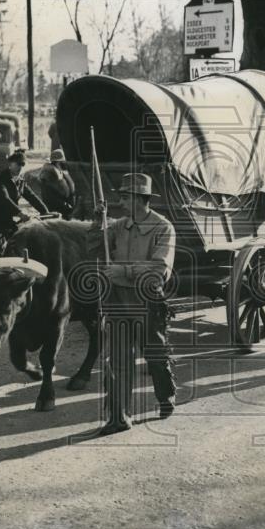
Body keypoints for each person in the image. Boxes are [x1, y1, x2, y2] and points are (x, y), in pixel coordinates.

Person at [92, 173, 177, 435]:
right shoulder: (118, 225)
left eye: (125, 197)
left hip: (147, 300)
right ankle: (119, 417)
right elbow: (95, 249)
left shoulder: (164, 228)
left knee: (155, 355)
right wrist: (98, 222)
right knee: (117, 359)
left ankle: (165, 397)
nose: (120, 201)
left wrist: (124, 272)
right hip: (118, 300)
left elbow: (161, 269)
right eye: (121, 197)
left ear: (141, 199)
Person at [0, 151, 50, 246]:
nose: (20, 167)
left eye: (23, 164)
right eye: (17, 164)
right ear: (10, 164)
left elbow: (31, 196)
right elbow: (4, 199)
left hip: (9, 218)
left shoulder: (20, 180)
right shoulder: (0, 178)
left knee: (17, 243)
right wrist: (20, 213)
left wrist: (46, 211)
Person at [38, 149, 77, 219]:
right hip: (55, 207)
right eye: (62, 163)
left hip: (55, 205)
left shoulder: (56, 172)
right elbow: (63, 192)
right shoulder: (53, 174)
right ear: (58, 163)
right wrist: (67, 206)